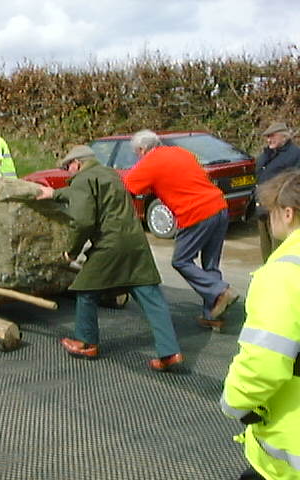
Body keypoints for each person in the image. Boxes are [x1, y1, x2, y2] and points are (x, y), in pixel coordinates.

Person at [36, 145, 183, 371]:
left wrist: (72, 251)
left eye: (68, 167)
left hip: (110, 244)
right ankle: (170, 352)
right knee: (151, 297)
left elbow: (83, 221)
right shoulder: (110, 174)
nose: (67, 171)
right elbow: (87, 195)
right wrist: (54, 194)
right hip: (135, 242)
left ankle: (86, 342)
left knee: (85, 290)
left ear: (77, 163)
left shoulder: (83, 179)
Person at [220, 169, 300, 480]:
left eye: (270, 212)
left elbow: (264, 360)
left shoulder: (284, 275)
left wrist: (235, 402)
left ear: (288, 213)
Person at [124, 129, 238, 331]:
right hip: (219, 206)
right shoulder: (180, 151)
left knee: (181, 260)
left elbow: (127, 187)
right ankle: (213, 315)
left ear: (142, 149)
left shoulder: (150, 162)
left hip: (196, 213)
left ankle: (220, 290)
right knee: (210, 264)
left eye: (136, 153)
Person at [254, 122, 300, 262]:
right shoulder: (266, 154)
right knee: (265, 249)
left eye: (272, 136)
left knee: (278, 249)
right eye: (267, 137)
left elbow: (294, 183)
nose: (269, 140)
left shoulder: (295, 154)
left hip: (280, 207)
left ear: (284, 136)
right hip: (262, 207)